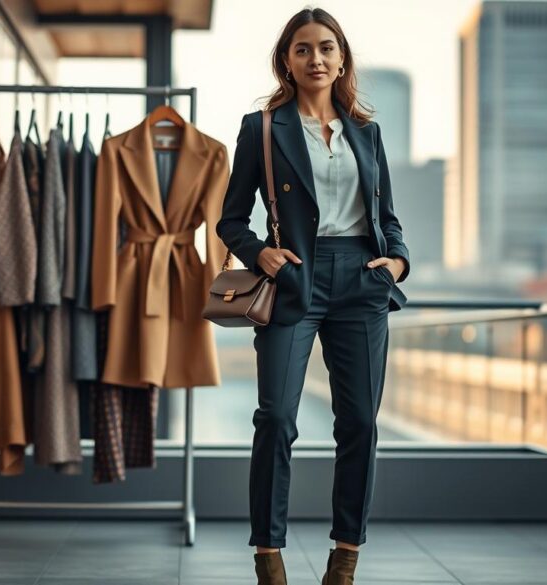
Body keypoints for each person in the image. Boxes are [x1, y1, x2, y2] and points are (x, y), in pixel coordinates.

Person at [215, 7, 411, 585]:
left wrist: (396, 263)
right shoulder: (262, 129)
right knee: (275, 417)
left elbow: (388, 220)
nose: (316, 58)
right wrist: (259, 253)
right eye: (303, 49)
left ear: (342, 57)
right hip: (294, 279)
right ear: (286, 61)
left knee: (359, 423)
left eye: (326, 48)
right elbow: (231, 220)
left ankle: (345, 556)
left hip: (362, 280)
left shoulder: (366, 132)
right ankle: (267, 557)